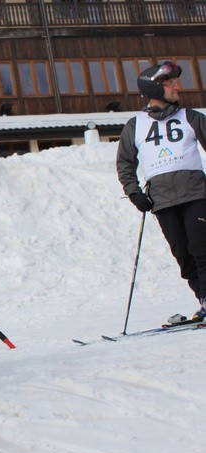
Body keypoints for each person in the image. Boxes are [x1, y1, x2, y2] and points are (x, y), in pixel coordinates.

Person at [116, 61, 206, 321]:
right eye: (170, 83)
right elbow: (125, 163)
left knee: (202, 249)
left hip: (196, 194)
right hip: (163, 201)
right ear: (155, 89)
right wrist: (134, 193)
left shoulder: (191, 117)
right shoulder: (136, 126)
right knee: (184, 257)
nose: (177, 86)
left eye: (175, 82)